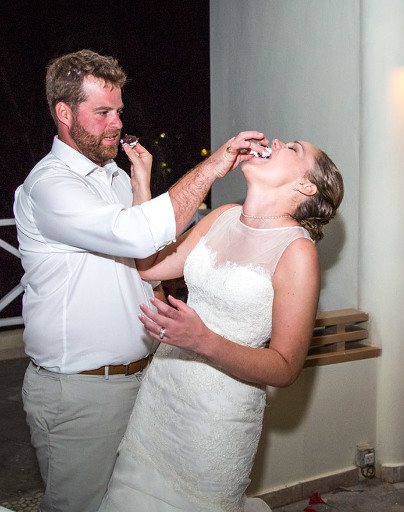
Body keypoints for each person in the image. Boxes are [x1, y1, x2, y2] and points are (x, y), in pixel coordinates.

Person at [13, 48, 271, 512]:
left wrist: (140, 184)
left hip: (144, 379)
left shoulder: (113, 176)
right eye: (103, 112)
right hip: (81, 392)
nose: (117, 123)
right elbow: (137, 233)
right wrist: (214, 166)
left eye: (119, 111)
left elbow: (145, 261)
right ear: (65, 113)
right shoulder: (50, 185)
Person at [98, 138, 344, 511]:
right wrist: (141, 185)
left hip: (216, 420)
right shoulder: (224, 215)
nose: (277, 142)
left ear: (306, 186)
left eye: (293, 148)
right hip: (160, 399)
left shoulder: (297, 251)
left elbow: (285, 367)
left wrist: (203, 340)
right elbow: (150, 266)